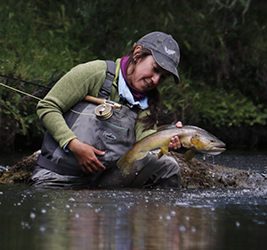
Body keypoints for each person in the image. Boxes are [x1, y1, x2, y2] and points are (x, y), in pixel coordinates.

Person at [31, 32, 182, 189]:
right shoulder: (96, 73)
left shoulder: (147, 103)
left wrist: (169, 138)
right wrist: (74, 145)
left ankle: (145, 213)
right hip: (57, 176)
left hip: (102, 181)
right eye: (155, 69)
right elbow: (47, 106)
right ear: (137, 54)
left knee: (168, 168)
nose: (156, 80)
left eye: (163, 77)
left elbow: (145, 142)